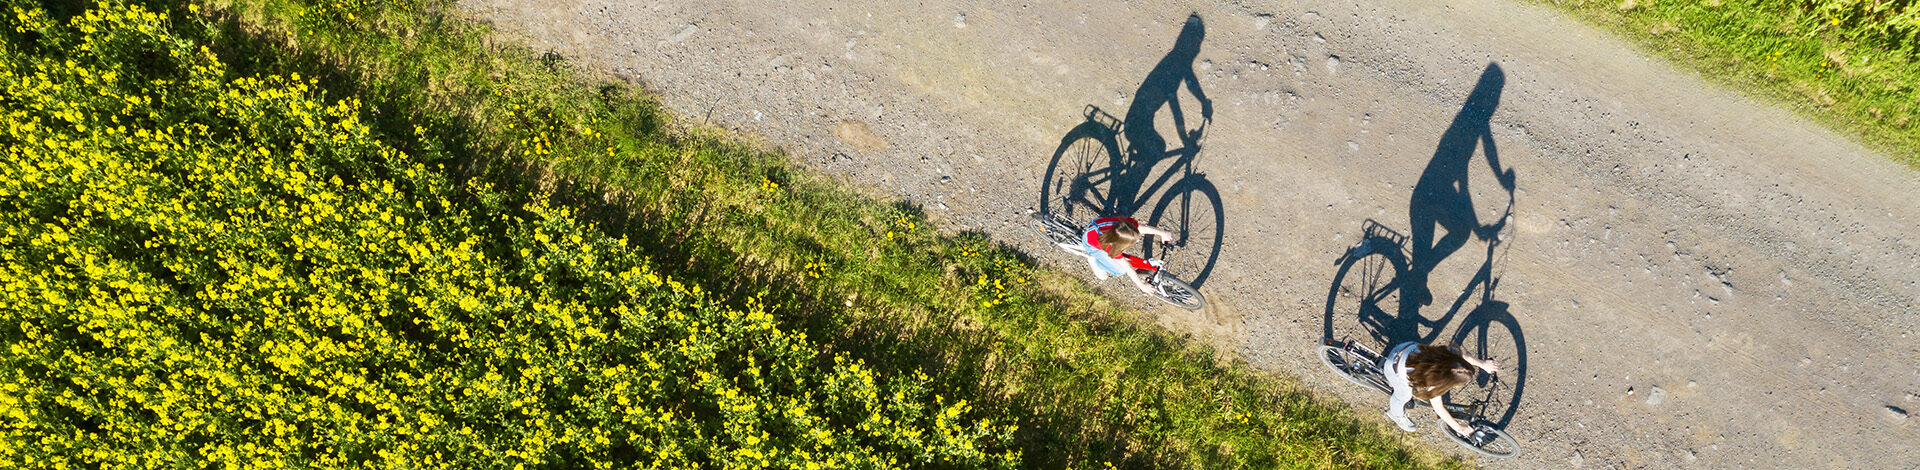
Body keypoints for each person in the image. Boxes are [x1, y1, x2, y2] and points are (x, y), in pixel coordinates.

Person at [1380, 342, 1500, 436]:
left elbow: (1464, 357)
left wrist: (1482, 364)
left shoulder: (1446, 356)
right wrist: (1458, 427)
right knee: (1402, 396)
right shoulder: (1431, 381)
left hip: (1404, 347)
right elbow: (1438, 408)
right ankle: (1396, 415)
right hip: (1393, 367)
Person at [1076, 216, 1176, 296]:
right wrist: (1141, 285)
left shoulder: (1124, 227)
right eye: (1135, 240)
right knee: (1120, 271)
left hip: (1096, 228)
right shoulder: (1111, 247)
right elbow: (1127, 268)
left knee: (1122, 259)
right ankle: (1096, 262)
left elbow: (1142, 228)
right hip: (1090, 243)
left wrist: (1163, 233)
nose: (1138, 240)